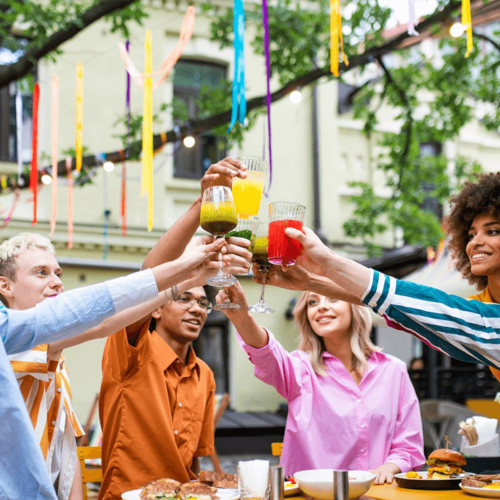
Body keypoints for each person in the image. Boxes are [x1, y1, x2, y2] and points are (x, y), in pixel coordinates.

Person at [0, 158, 249, 500]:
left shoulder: (55, 359)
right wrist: (189, 271)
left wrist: (193, 276)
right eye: (41, 273)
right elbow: (103, 317)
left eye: (58, 273)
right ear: (5, 287)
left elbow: (66, 451)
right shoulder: (18, 344)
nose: (57, 282)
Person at [98, 157, 253, 500]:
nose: (197, 308)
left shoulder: (205, 376)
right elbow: (146, 281)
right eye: (184, 298)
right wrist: (202, 206)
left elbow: (196, 462)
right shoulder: (131, 351)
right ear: (156, 310)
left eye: (202, 302)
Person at [216, 284, 424, 484]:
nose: (321, 306)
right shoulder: (299, 369)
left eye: (332, 298)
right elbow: (268, 355)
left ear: (354, 306)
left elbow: (408, 444)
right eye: (312, 302)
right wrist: (241, 317)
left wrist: (389, 467)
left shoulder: (393, 371)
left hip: (378, 493)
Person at [258, 225, 500, 370]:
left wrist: (328, 266)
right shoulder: (301, 367)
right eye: (471, 233)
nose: (476, 242)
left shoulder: (391, 370)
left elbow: (452, 317)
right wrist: (313, 280)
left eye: (493, 230)